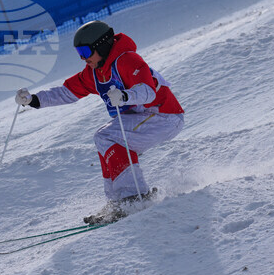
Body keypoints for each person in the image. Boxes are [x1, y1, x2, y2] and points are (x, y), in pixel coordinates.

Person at [15, 20, 184, 224]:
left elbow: (148, 91)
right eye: (79, 53)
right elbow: (67, 92)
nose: (83, 58)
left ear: (102, 45)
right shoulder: (95, 72)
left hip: (164, 116)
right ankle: (117, 201)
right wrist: (33, 100)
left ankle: (133, 197)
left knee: (109, 136)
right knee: (103, 139)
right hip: (143, 119)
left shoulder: (128, 60)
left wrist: (125, 96)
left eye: (86, 51)